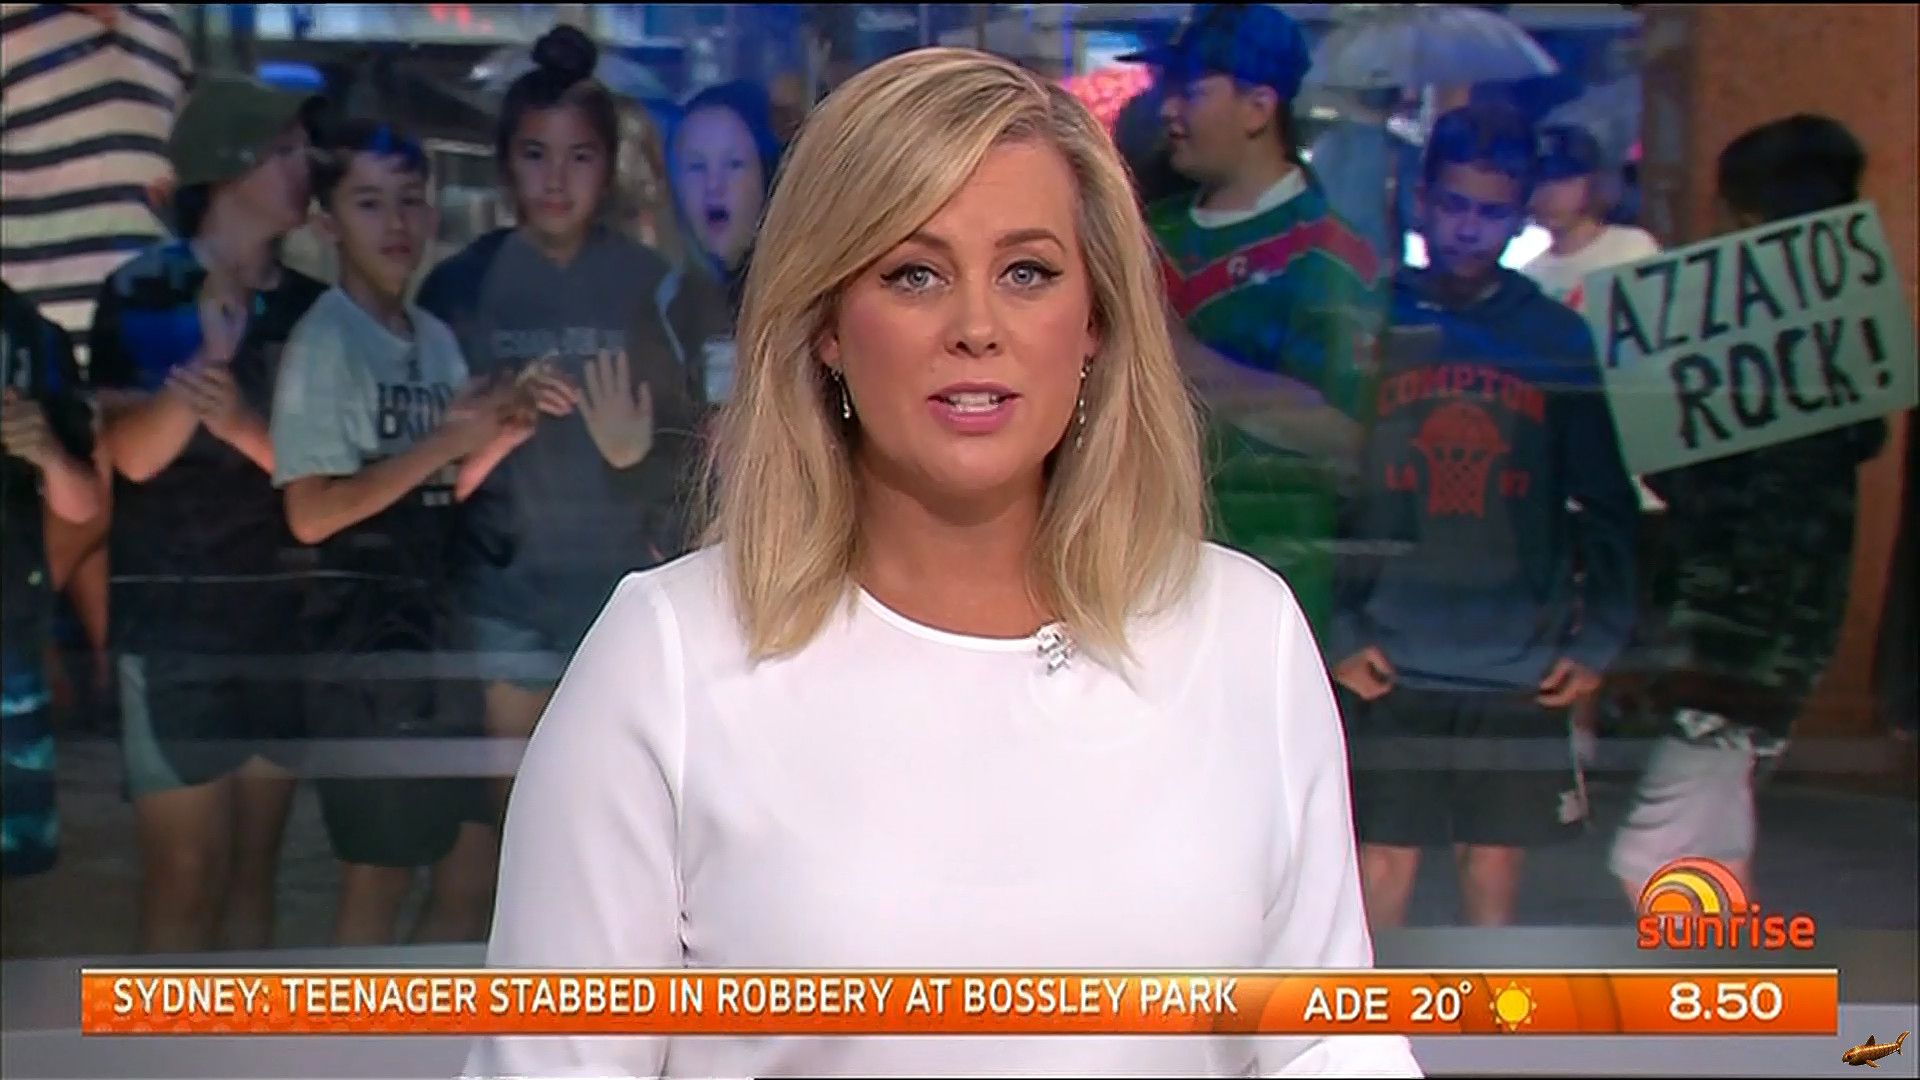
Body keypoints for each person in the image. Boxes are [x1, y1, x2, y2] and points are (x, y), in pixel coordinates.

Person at [466, 47, 1421, 1079]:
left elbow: (1329, 1048)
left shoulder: (1244, 633)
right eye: (913, 274)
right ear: (827, 325)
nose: (976, 328)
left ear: (1095, 322)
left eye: (1028, 273)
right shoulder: (668, 659)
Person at [1328, 104, 1639, 929]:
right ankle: (1371, 1019)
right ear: (1422, 201)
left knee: (1494, 865)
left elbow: (1607, 499)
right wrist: (1337, 628)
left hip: (1516, 658)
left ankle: (1485, 1017)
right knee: (1380, 863)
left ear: (1520, 213)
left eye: (1492, 212)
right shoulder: (1373, 321)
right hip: (1390, 650)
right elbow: (1322, 488)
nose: (1469, 228)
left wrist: (1599, 638)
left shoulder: (1553, 336)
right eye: (1454, 206)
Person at [270, 120, 573, 945]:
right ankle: (350, 1030)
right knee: (379, 874)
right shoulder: (325, 341)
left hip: (439, 627)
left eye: (409, 202)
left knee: (470, 868)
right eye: (370, 204)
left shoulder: (432, 337)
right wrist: (447, 442)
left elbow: (443, 485)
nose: (396, 223)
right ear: (328, 224)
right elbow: (310, 511)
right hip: (364, 639)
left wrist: (500, 432)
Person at [416, 25, 704, 822]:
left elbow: (695, 444)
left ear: (607, 168)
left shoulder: (648, 284)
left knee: (617, 812)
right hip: (505, 593)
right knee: (518, 816)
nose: (555, 178)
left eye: (579, 156)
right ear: (506, 162)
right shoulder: (460, 286)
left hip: (621, 594)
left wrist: (638, 454)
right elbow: (418, 455)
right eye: (535, 154)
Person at [1608, 115, 1889, 905]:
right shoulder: (1839, 350)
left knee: (1654, 854)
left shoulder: (1745, 353)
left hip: (1728, 645)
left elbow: (1692, 486)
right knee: (1716, 838)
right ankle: (1733, 974)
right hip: (1785, 637)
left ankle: (1694, 980)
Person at [88, 73, 326, 952]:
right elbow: (129, 455)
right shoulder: (142, 292)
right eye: (285, 151)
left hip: (278, 616)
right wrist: (200, 387)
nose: (307, 166)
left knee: (254, 871)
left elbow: (324, 475)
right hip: (173, 623)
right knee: (185, 874)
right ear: (227, 167)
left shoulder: (311, 307)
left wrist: (239, 421)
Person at [1131, 3, 1389, 640]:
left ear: (1258, 107)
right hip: (1140, 563)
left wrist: (1189, 362)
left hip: (1276, 572)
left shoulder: (1328, 256)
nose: (1169, 111)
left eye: (1192, 91)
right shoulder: (1143, 232)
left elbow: (1347, 438)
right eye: (1169, 90)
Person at [2, 283, 102, 878]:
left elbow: (85, 502)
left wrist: (50, 455)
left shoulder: (34, 335)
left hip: (9, 645)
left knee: (17, 879)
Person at [666, 78, 781, 404]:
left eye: (734, 165)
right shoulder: (657, 302)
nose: (713, 186)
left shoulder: (798, 299)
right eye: (696, 167)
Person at [1521, 124, 1659, 311]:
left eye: (1564, 180)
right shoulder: (1529, 278)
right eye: (1538, 182)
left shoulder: (1633, 247)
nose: (1549, 194)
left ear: (1593, 183)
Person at [1308, 86, 1423, 270]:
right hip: (1378, 272)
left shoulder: (1323, 146)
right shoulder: (1403, 153)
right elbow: (1415, 215)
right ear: (1396, 100)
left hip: (1329, 267)